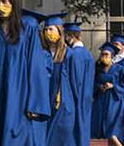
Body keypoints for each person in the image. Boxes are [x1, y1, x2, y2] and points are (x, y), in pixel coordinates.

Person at [0, 0, 52, 146]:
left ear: (13, 0)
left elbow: (36, 64)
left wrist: (36, 102)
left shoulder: (28, 26)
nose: (0, 6)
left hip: (20, 94)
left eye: (4, 0)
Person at [42, 13, 76, 146]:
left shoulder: (69, 54)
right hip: (45, 103)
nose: (47, 32)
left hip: (62, 103)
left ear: (59, 31)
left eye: (51, 29)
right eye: (45, 30)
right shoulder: (41, 53)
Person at [91, 42, 124, 146]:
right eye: (102, 54)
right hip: (101, 101)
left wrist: (114, 86)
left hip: (115, 102)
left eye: (107, 55)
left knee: (111, 128)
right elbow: (93, 83)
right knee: (106, 128)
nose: (104, 57)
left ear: (112, 56)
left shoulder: (120, 69)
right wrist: (100, 87)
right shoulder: (98, 70)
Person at [64, 22, 94, 146]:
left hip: (77, 97)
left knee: (75, 130)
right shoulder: (89, 55)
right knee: (84, 127)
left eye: (66, 36)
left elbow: (75, 79)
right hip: (86, 96)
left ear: (71, 36)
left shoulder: (74, 55)